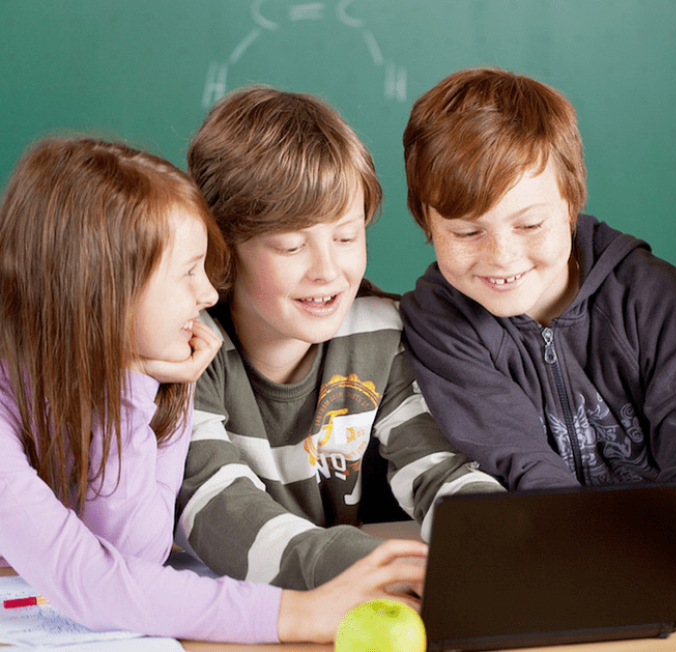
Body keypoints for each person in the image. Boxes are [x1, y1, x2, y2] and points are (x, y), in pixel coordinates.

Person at [0, 136, 426, 644]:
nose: (207, 293)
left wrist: (136, 385)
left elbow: (136, 555)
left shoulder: (138, 372)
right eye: (187, 274)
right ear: (105, 291)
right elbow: (96, 585)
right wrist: (299, 614)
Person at [398, 67, 676, 569]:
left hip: (673, 566)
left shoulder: (659, 298)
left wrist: (647, 555)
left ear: (571, 202)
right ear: (426, 219)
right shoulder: (438, 323)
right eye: (467, 233)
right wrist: (592, 558)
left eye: (529, 224)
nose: (503, 257)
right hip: (549, 568)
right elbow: (520, 468)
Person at [175, 87, 503, 591]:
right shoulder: (188, 352)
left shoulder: (377, 335)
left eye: (347, 237)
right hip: (228, 617)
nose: (328, 271)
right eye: (291, 245)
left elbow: (437, 467)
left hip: (340, 606)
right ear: (222, 245)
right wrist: (374, 567)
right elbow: (216, 509)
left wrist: (494, 534)